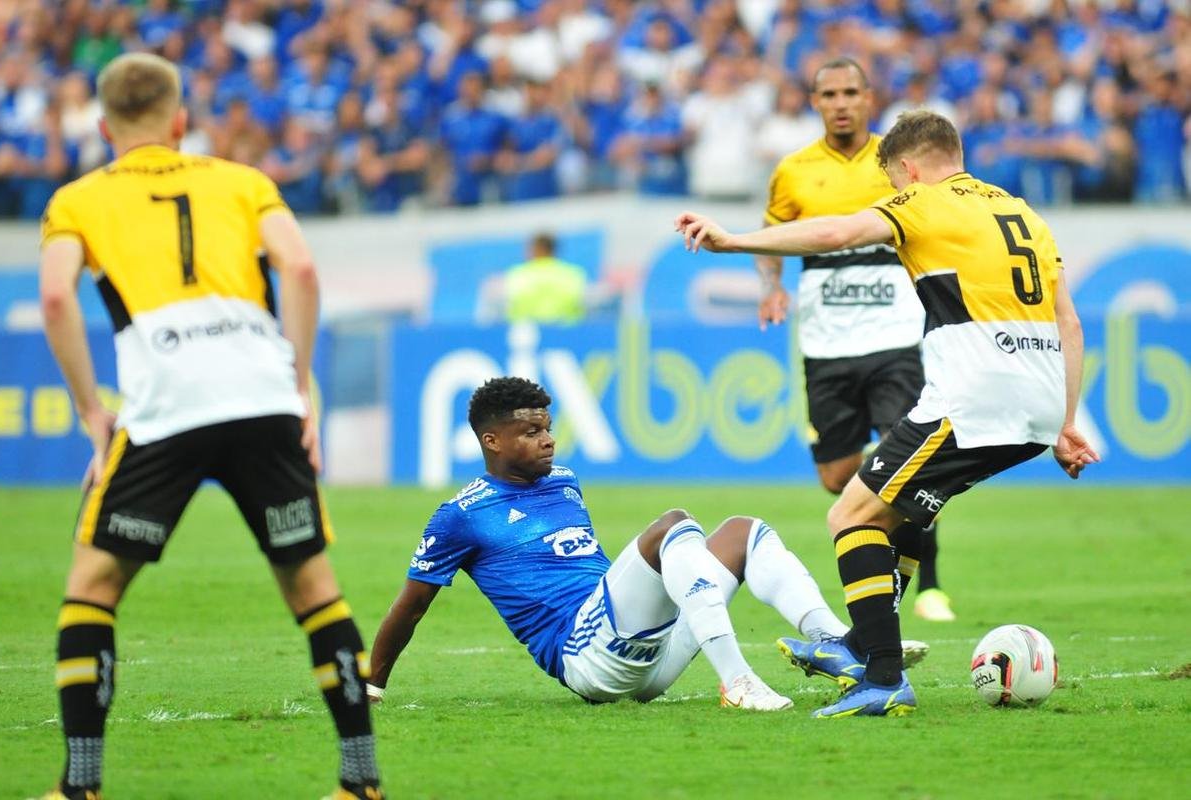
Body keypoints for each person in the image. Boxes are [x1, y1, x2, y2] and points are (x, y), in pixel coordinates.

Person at [675, 109, 1099, 717]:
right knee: (896, 516)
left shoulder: (926, 201)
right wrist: (1063, 421)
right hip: (1034, 402)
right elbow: (1070, 321)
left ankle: (883, 674)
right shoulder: (1022, 212)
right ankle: (861, 643)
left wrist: (733, 240)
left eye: (896, 186)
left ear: (907, 168)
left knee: (848, 516)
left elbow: (833, 234)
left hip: (975, 399)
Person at [36, 53, 381, 799]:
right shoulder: (242, 182)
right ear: (182, 122)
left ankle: (79, 787)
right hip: (260, 395)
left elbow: (57, 301)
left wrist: (93, 412)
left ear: (103, 127)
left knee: (93, 587)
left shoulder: (77, 200)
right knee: (315, 589)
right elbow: (302, 269)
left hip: (165, 403)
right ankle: (360, 783)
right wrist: (298, 387)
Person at [366, 377, 928, 710]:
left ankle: (838, 642)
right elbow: (412, 605)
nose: (548, 438)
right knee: (672, 525)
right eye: (531, 431)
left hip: (643, 655)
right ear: (491, 440)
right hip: (583, 658)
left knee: (742, 532)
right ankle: (737, 681)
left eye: (547, 426)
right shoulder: (461, 516)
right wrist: (371, 685)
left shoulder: (563, 480)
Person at [757, 57, 955, 623]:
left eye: (850, 92)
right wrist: (771, 287)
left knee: (905, 463)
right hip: (825, 346)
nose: (841, 102)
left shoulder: (900, 165)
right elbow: (773, 241)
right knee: (838, 477)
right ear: (814, 101)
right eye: (829, 94)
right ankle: (891, 532)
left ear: (869, 98)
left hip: (896, 339)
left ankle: (930, 588)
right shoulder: (793, 171)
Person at [502, 233, 588, 324]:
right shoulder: (573, 274)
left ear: (535, 249)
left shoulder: (517, 274)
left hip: (527, 333)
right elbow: (581, 307)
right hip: (567, 333)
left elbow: (509, 308)